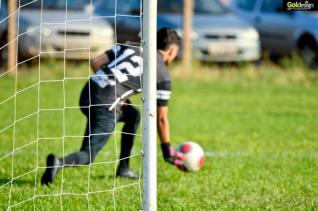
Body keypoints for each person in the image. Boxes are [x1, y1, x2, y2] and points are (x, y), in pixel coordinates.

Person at [41, 27, 184, 186]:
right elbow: (162, 118)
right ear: (171, 51)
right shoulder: (162, 75)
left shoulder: (130, 46)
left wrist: (111, 86)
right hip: (106, 103)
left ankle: (124, 168)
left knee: (133, 116)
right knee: (87, 156)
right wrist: (167, 150)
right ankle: (58, 162)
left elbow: (95, 62)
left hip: (88, 92)